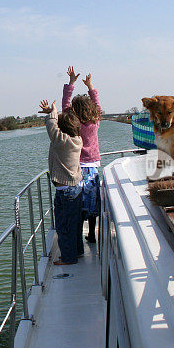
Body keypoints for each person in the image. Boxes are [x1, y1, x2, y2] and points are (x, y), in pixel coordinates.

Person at [39, 99, 84, 265]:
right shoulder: (77, 140)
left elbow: (52, 127)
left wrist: (53, 112)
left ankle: (68, 257)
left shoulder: (62, 142)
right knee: (75, 224)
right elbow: (55, 127)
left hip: (65, 193)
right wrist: (54, 114)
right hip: (75, 190)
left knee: (64, 227)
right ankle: (77, 251)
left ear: (62, 129)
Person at [62, 66, 103, 243]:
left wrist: (71, 83)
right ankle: (92, 234)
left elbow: (65, 106)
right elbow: (98, 106)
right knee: (92, 202)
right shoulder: (95, 123)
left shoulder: (73, 124)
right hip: (92, 168)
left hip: (77, 168)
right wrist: (90, 87)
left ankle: (78, 237)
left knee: (78, 204)